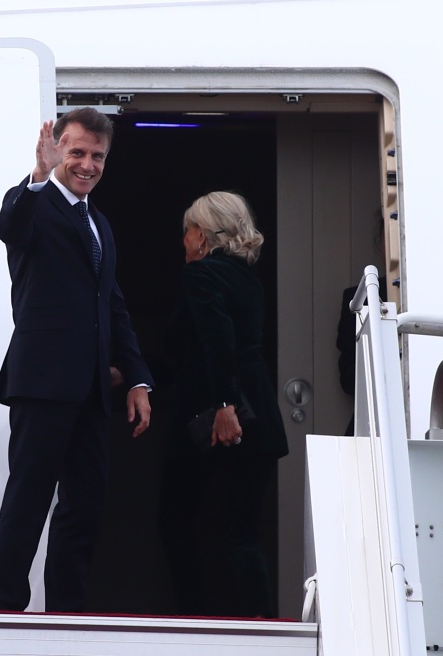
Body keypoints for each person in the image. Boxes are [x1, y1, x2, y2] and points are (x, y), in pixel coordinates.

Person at [0, 107, 154, 612]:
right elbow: (8, 226)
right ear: (57, 148)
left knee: (84, 507)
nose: (87, 164)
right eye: (77, 152)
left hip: (91, 391)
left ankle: (66, 615)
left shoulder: (98, 222)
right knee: (28, 501)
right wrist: (37, 177)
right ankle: (7, 612)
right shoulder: (34, 204)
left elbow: (112, 306)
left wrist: (138, 379)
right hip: (41, 383)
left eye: (97, 156)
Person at [157, 191, 288, 618]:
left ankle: (192, 617)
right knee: (242, 530)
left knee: (174, 521)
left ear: (201, 235)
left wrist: (225, 404)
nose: (183, 240)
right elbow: (194, 350)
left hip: (216, 417)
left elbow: (218, 340)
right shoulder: (247, 278)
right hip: (259, 415)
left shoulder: (200, 274)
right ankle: (259, 620)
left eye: (187, 231)